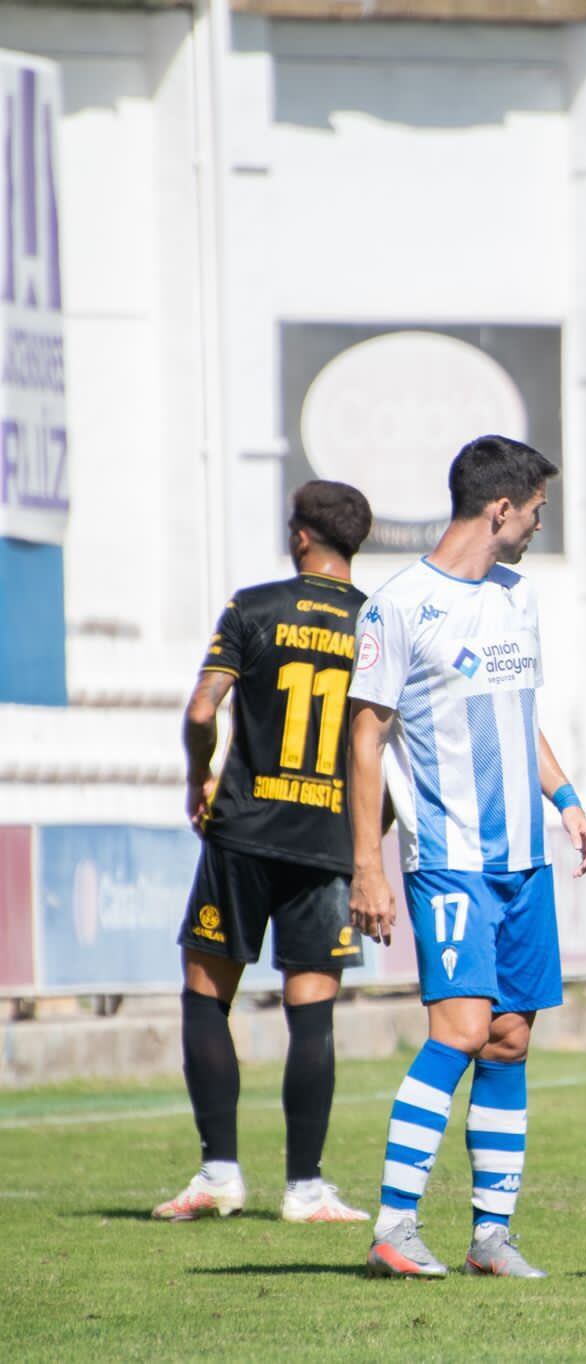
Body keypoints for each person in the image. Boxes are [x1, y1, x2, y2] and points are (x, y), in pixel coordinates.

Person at [345, 435, 586, 1280]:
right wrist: (369, 864)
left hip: (523, 858)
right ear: (501, 509)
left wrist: (566, 800)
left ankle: (492, 1236)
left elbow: (518, 716)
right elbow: (366, 738)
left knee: (509, 1039)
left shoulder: (517, 597)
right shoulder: (398, 606)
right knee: (458, 1030)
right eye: (535, 512)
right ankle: (394, 1226)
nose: (537, 526)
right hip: (450, 857)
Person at [154, 481, 378, 1224]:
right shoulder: (375, 623)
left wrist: (199, 777)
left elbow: (201, 710)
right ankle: (305, 1189)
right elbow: (381, 742)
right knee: (311, 1015)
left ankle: (218, 1174)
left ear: (302, 535)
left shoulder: (251, 607)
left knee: (205, 994)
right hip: (326, 840)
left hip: (244, 832)